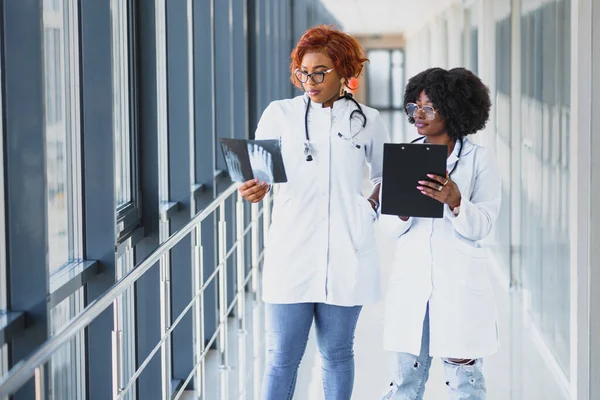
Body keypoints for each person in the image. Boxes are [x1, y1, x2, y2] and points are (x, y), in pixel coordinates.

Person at [238, 25, 390, 400]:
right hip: (292, 252)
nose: (310, 80)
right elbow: (259, 175)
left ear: (343, 70)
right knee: (282, 358)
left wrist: (368, 209)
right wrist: (254, 189)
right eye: (304, 72)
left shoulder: (367, 120)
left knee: (337, 355)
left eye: (320, 71)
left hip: (346, 252)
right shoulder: (280, 114)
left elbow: (388, 176)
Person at [379, 67, 501, 400]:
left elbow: (483, 225)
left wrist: (457, 201)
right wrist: (401, 211)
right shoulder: (404, 157)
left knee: (465, 382)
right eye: (413, 107)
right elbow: (388, 228)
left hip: (459, 283)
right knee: (404, 382)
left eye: (428, 108)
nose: (418, 115)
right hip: (413, 281)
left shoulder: (480, 160)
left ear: (453, 111)